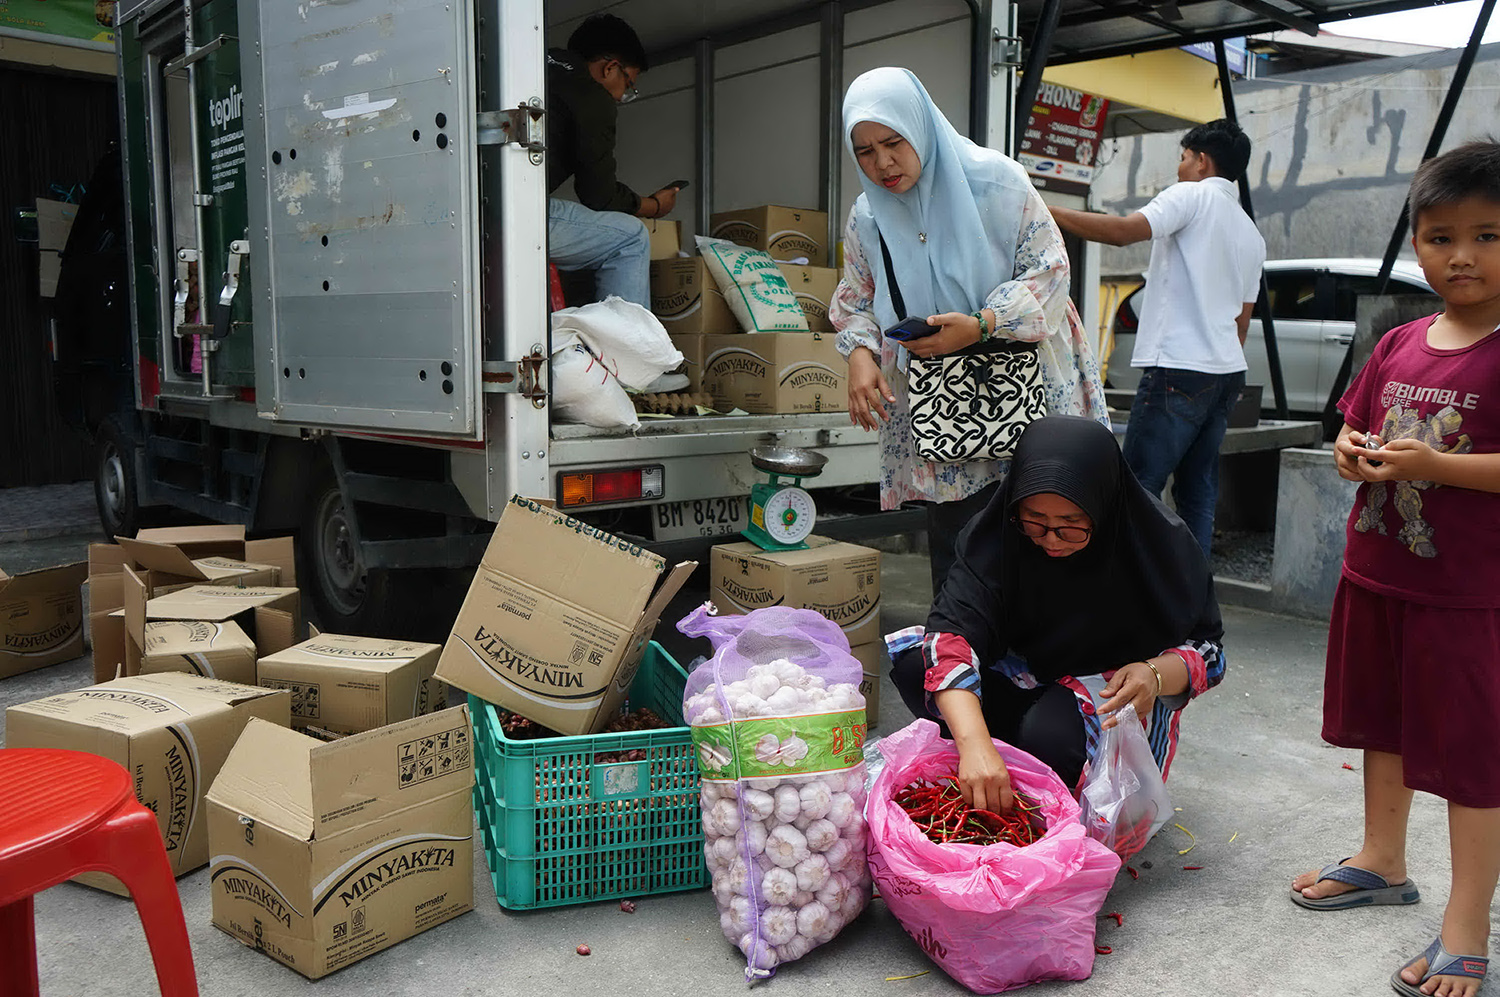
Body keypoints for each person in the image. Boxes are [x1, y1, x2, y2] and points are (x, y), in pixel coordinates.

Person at [1289, 141, 1500, 997]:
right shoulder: (1400, 339)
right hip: (1377, 576)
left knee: (1470, 759)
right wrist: (1349, 449)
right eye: (1441, 236)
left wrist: (1437, 467)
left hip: (1467, 597)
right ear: (1416, 242)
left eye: (1488, 235)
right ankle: (1383, 857)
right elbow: (1353, 425)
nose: (1462, 255)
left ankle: (1467, 922)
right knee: (1384, 727)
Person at [829, 68, 1108, 593]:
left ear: (923, 127)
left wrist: (982, 324)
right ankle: (962, 661)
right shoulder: (867, 215)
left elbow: (1050, 272)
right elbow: (856, 299)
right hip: (942, 405)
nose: (882, 163)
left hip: (1027, 389)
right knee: (959, 544)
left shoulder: (998, 184)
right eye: (864, 151)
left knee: (1043, 527)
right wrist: (860, 353)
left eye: (893, 142)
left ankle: (1045, 666)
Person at [889, 415, 1225, 808]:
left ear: (1104, 506)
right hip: (1022, 675)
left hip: (1108, 692)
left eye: (1071, 524)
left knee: (1048, 735)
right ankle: (997, 767)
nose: (1050, 540)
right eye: (1035, 520)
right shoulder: (996, 535)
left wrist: (1153, 674)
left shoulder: (1162, 546)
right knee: (919, 666)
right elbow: (951, 632)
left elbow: (1209, 651)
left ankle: (1051, 781)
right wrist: (974, 743)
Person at [1050, 119, 1266, 558]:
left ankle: (1136, 600)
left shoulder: (1191, 195)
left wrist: (1046, 211)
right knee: (1198, 494)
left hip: (1179, 369)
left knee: (1137, 487)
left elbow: (1123, 232)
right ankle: (1191, 609)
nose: (1180, 169)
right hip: (1225, 374)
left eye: (1183, 159)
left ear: (1203, 161)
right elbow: (1242, 322)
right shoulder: (1250, 232)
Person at [546, 14, 680, 308]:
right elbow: (599, 196)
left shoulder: (533, 60)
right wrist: (654, 206)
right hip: (503, 215)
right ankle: (625, 349)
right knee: (630, 237)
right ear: (610, 68)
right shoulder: (591, 96)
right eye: (629, 85)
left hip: (458, 203)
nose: (622, 97)